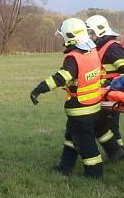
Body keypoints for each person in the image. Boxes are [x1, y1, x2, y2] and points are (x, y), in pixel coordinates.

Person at [30, 17, 104, 178]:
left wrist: (39, 89)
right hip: (93, 105)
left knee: (86, 143)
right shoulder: (92, 52)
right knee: (71, 137)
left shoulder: (73, 58)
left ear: (70, 37)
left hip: (81, 109)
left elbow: (61, 78)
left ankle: (94, 173)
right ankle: (65, 167)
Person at [86, 14, 124, 161]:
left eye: (91, 33)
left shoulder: (112, 47)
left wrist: (111, 86)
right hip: (104, 93)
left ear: (100, 31)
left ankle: (117, 153)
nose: (90, 36)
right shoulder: (100, 47)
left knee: (109, 125)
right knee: (105, 125)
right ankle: (117, 153)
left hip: (113, 93)